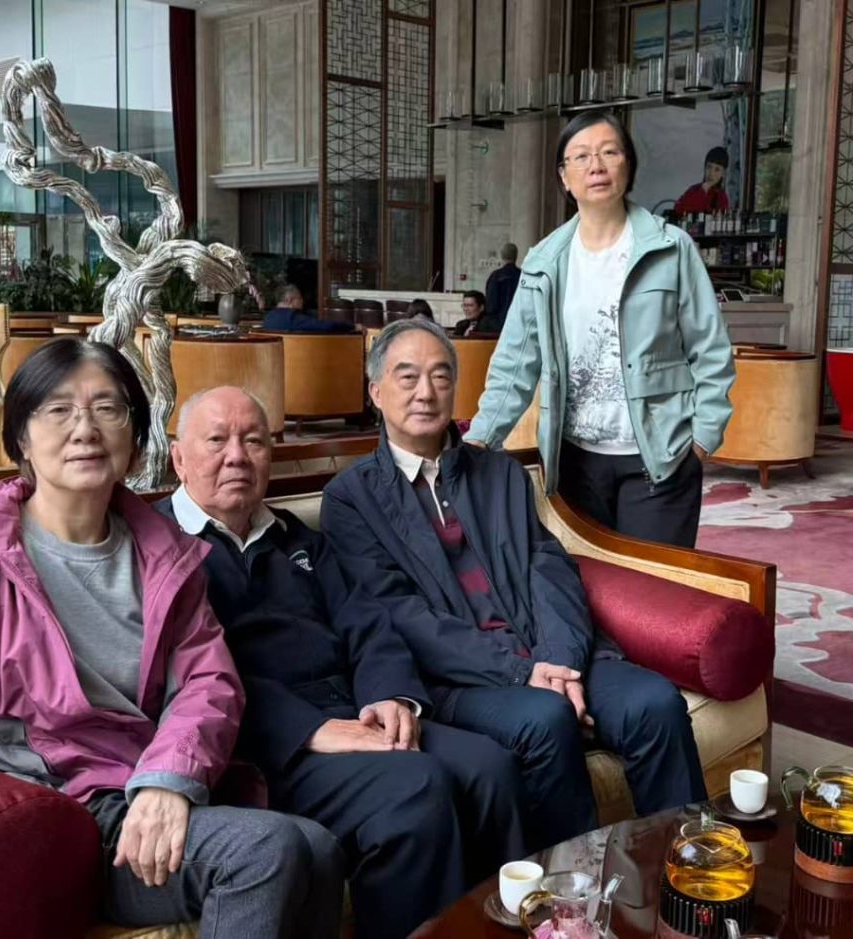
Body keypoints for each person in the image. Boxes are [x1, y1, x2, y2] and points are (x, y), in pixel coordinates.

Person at [0, 338, 343, 939]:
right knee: (268, 850)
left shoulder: (166, 557)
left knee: (320, 847)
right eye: (58, 409)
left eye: (107, 408)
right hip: (67, 818)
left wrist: (167, 780)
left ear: (136, 437)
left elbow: (208, 684)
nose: (85, 429)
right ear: (21, 438)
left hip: (150, 792)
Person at [321, 318, 708, 850]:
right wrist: (523, 672)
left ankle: (686, 864)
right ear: (376, 392)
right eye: (407, 377)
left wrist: (560, 662)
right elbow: (400, 614)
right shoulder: (351, 498)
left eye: (440, 376)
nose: (425, 392)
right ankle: (570, 888)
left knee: (655, 702)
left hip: (549, 654)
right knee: (545, 717)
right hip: (458, 680)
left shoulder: (499, 473)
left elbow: (548, 569)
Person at [156, 386, 526, 939]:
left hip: (356, 711)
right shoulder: (160, 547)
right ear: (179, 458)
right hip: (262, 743)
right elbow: (194, 676)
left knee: (489, 767)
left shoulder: (296, 537)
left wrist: (390, 697)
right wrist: (311, 730)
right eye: (217, 441)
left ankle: (499, 930)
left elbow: (368, 625)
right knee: (415, 786)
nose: (237, 456)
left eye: (254, 441)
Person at [465, 111, 735, 548]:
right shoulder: (543, 261)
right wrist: (481, 437)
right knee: (584, 580)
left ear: (628, 165)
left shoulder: (671, 249)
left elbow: (711, 350)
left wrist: (702, 439)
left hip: (660, 457)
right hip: (574, 463)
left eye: (609, 152)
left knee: (653, 584)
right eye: (581, 156)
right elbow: (515, 362)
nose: (596, 166)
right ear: (564, 176)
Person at [262, 284, 355, 333]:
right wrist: (352, 326)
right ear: (289, 300)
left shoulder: (268, 318)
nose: (302, 301)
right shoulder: (293, 317)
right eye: (300, 298)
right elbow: (326, 326)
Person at [674, 146, 730, 215]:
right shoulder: (693, 190)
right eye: (709, 167)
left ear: (723, 173)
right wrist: (702, 192)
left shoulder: (722, 198)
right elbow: (678, 210)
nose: (711, 173)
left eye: (717, 169)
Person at [484, 242, 521, 332]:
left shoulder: (495, 276)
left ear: (501, 256)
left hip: (498, 323)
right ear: (516, 256)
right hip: (518, 322)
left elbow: (491, 303)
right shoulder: (522, 275)